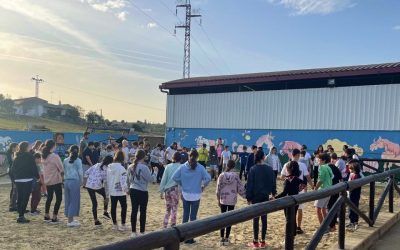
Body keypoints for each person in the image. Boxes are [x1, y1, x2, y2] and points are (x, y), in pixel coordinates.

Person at [173, 150, 211, 244]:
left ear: (188, 156)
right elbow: (208, 178)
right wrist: (203, 185)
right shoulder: (200, 167)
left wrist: (182, 183)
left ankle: (183, 236)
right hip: (196, 194)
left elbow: (174, 177)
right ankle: (190, 238)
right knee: (193, 217)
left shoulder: (182, 167)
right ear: (197, 157)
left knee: (185, 215)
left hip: (185, 193)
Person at [246, 150, 277, 248]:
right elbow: (273, 182)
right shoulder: (269, 169)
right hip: (265, 196)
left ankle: (255, 241)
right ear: (263, 157)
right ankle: (263, 241)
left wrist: (249, 197)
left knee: (256, 219)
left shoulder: (253, 169)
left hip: (255, 197)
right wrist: (273, 193)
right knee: (264, 218)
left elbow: (250, 184)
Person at [281, 148, 312, 234]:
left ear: (292, 155)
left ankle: (291, 229)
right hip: (299, 189)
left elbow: (282, 177)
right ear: (298, 155)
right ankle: (298, 227)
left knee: (289, 212)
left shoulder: (286, 164)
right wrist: (312, 185)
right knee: (299, 210)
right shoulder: (302, 165)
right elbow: (307, 177)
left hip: (288, 190)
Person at [216, 160, 246, 246]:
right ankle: (226, 238)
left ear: (227, 165)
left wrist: (218, 199)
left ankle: (221, 238)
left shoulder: (221, 175)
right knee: (230, 219)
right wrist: (246, 196)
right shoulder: (236, 176)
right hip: (232, 200)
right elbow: (240, 189)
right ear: (233, 166)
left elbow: (218, 189)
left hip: (223, 199)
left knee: (222, 218)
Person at [11, 141, 40, 223]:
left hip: (18, 179)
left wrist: (14, 179)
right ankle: (21, 216)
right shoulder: (30, 156)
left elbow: (12, 169)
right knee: (25, 198)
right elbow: (34, 168)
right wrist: (38, 177)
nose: (30, 147)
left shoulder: (16, 156)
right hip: (27, 179)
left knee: (20, 197)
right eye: (29, 146)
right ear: (26, 147)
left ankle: (20, 215)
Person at [127, 150, 153, 237]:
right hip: (142, 191)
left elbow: (128, 180)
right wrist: (155, 172)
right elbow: (150, 179)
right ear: (143, 157)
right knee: (142, 211)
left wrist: (128, 188)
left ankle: (133, 232)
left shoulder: (130, 166)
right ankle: (142, 231)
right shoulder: (144, 167)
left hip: (133, 190)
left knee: (134, 210)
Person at [275, 161, 302, 238]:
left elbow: (284, 193)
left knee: (288, 219)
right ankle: (293, 234)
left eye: (287, 168)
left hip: (288, 202)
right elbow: (303, 184)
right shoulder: (298, 179)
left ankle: (290, 237)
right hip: (296, 200)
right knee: (293, 217)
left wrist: (275, 198)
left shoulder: (288, 179)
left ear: (290, 169)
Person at [85, 155, 113, 226]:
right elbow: (106, 184)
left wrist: (86, 181)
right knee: (106, 197)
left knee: (94, 203)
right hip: (97, 186)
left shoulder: (97, 164)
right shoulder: (106, 169)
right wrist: (107, 195)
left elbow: (86, 172)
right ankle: (105, 211)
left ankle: (96, 220)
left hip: (89, 185)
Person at [42, 140, 64, 224]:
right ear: (53, 146)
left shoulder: (44, 156)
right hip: (55, 180)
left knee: (49, 198)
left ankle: (46, 215)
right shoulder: (54, 156)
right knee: (59, 198)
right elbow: (61, 168)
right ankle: (54, 217)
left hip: (47, 180)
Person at [107, 151, 128, 231]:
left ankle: (114, 224)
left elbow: (107, 180)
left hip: (112, 190)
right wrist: (126, 190)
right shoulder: (122, 168)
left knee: (113, 207)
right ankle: (123, 224)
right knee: (123, 207)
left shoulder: (109, 167)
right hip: (121, 192)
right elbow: (123, 182)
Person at [159, 152, 182, 228]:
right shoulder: (181, 167)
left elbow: (164, 179)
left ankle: (165, 224)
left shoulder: (168, 166)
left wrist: (161, 191)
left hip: (167, 190)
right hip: (174, 189)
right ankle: (173, 224)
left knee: (168, 208)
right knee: (174, 208)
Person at [63, 145, 83, 227]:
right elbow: (80, 172)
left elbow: (63, 171)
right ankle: (70, 221)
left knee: (68, 200)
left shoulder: (65, 160)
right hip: (74, 181)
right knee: (74, 201)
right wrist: (81, 182)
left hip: (66, 181)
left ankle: (70, 219)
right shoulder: (78, 160)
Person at [314, 153, 333, 225]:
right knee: (324, 209)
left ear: (323, 160)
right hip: (329, 190)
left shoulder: (322, 167)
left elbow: (320, 180)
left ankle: (322, 228)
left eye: (319, 159)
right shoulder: (328, 167)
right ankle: (326, 225)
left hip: (323, 190)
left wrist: (315, 188)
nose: (318, 160)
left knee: (318, 209)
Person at [327, 158, 343, 232]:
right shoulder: (335, 168)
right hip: (336, 188)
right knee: (334, 205)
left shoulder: (326, 168)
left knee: (330, 206)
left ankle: (331, 225)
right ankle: (333, 222)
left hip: (329, 189)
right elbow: (341, 179)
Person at [347, 159, 362, 231]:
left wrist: (348, 189)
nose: (349, 169)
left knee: (352, 207)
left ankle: (353, 222)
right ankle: (354, 221)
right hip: (355, 194)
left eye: (350, 168)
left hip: (353, 194)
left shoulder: (355, 176)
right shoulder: (355, 175)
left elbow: (352, 186)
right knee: (354, 207)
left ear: (353, 169)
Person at [7, 142, 18, 212]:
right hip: (12, 171)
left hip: (13, 171)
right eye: (16, 147)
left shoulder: (14, 153)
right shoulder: (9, 153)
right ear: (12, 147)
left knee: (13, 187)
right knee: (14, 187)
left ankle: (12, 202)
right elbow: (11, 163)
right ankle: (12, 203)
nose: (17, 148)